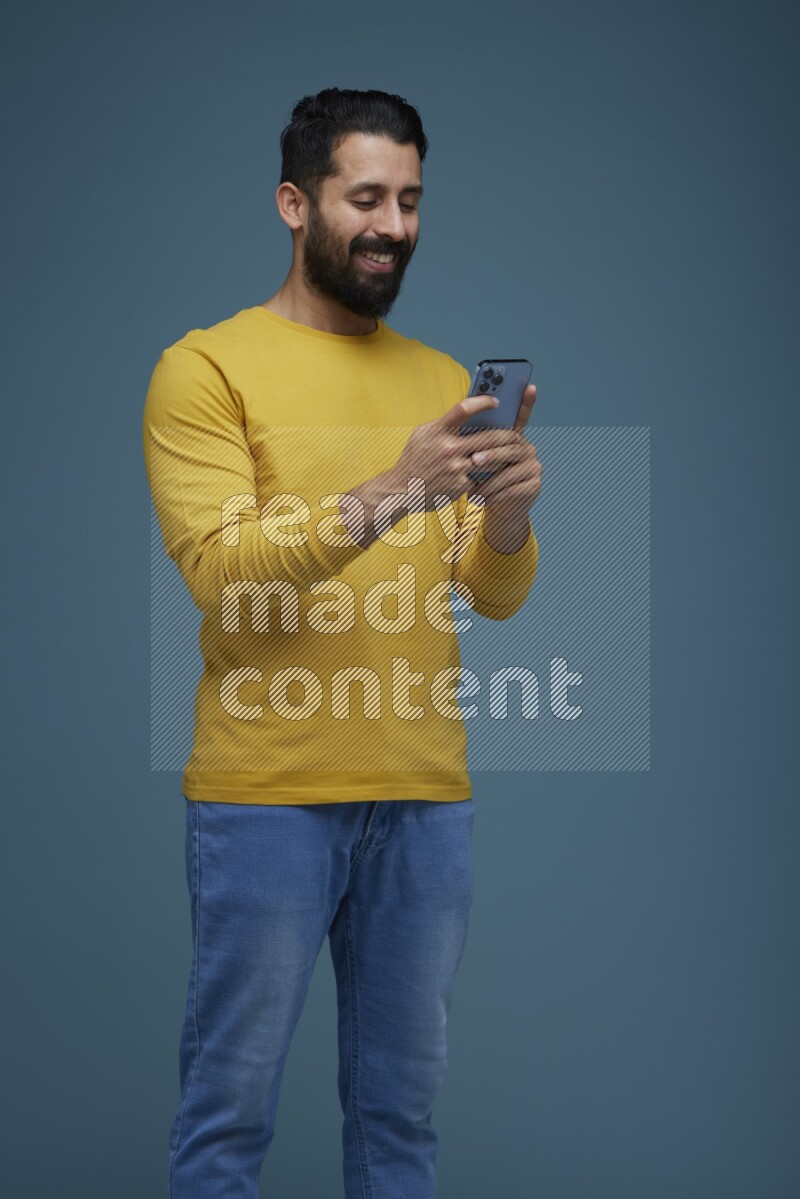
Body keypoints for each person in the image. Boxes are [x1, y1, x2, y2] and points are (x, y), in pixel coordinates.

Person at [143, 86, 542, 1199]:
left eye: (409, 200)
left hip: (422, 799)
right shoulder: (204, 369)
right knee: (227, 1120)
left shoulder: (436, 379)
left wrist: (504, 513)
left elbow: (490, 594)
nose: (392, 225)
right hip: (265, 796)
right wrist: (393, 488)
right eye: (364, 196)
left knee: (399, 1125)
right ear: (293, 203)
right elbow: (224, 578)